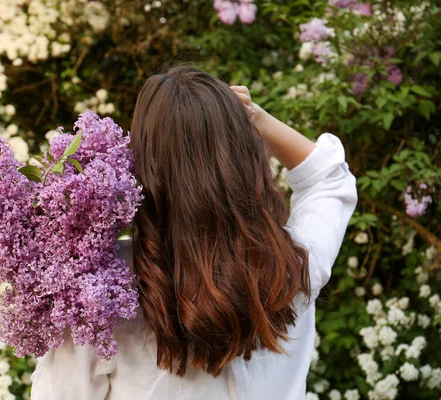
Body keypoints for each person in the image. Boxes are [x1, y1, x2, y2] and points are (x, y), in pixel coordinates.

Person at [29, 65, 358, 400]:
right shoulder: (290, 267)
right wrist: (255, 117)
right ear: (247, 156)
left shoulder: (101, 292)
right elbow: (329, 178)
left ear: (143, 165)